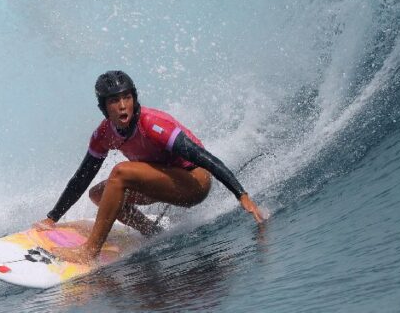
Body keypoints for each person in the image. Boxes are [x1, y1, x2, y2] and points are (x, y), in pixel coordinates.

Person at [36, 70, 264, 264]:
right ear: (104, 107)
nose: (123, 106)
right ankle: (151, 233)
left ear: (134, 98)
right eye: (114, 101)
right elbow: (82, 177)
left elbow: (204, 158)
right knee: (98, 194)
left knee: (121, 172)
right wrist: (52, 218)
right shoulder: (104, 134)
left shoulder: (152, 123)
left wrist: (241, 194)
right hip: (160, 182)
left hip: (194, 182)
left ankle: (89, 251)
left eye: (127, 97)